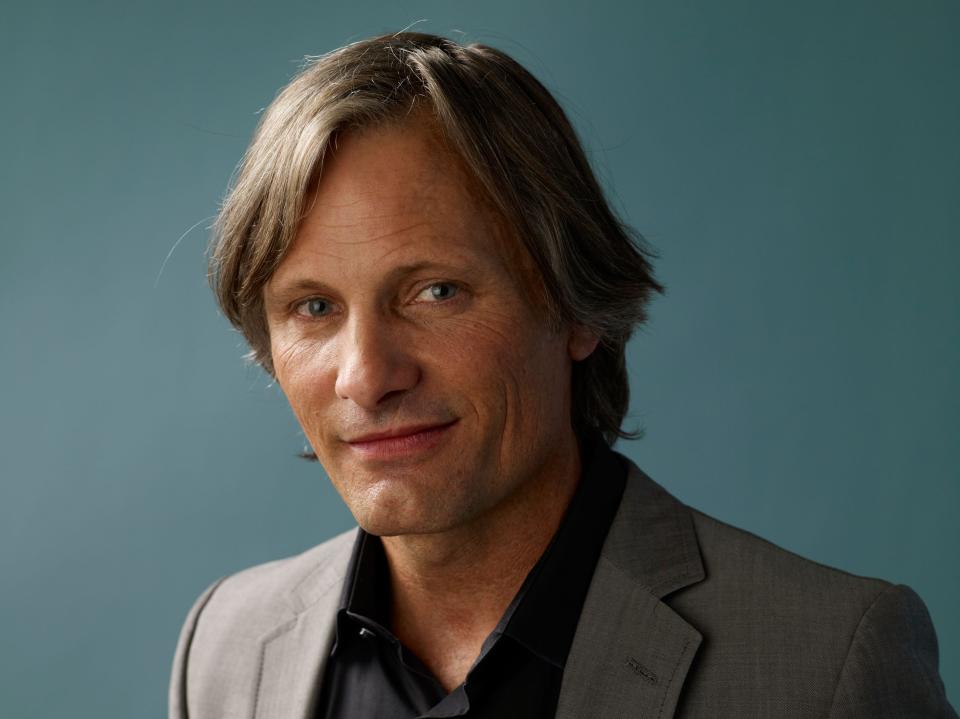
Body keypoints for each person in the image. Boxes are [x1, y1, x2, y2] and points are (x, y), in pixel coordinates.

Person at [168, 31, 956, 718]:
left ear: (576, 306)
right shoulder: (226, 648)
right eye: (313, 307)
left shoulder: (828, 664)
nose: (368, 375)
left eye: (436, 291)